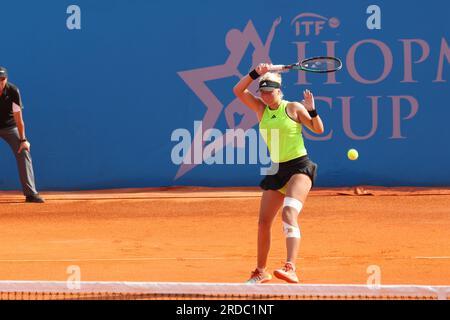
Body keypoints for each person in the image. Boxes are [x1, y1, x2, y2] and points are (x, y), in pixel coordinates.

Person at [233, 63, 324, 283]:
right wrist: (257, 73)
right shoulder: (260, 109)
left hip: (299, 168)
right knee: (264, 222)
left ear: (279, 91)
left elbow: (318, 129)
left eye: (269, 92)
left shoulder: (292, 108)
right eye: (262, 92)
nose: (265, 96)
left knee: (288, 213)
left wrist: (311, 108)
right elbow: (237, 90)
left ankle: (290, 267)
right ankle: (261, 271)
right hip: (277, 170)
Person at [0, 66, 44, 203]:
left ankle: (31, 193)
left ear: (7, 79)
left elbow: (19, 118)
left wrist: (23, 139)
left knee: (24, 150)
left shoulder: (13, 91)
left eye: (3, 79)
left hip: (10, 127)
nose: (0, 82)